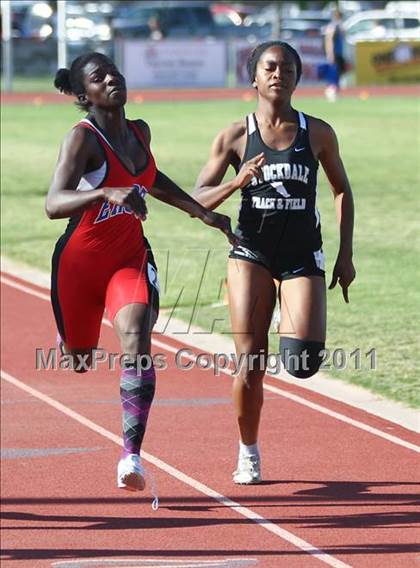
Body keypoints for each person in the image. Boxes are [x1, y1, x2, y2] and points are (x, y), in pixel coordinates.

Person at [46, 52, 235, 492]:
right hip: (77, 266)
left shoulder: (139, 132)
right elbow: (53, 204)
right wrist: (106, 193)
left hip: (127, 259)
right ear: (83, 94)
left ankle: (130, 456)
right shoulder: (82, 140)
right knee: (79, 360)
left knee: (136, 335)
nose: (112, 78)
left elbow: (152, 178)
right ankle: (70, 332)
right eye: (99, 77)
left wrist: (201, 213)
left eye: (113, 71)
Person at [193, 41, 355, 484]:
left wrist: (346, 254)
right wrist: (237, 182)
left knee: (303, 363)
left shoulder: (317, 132)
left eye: (286, 67)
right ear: (254, 77)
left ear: (298, 78)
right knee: (250, 361)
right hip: (252, 252)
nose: (278, 73)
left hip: (303, 254)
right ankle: (248, 451)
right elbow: (195, 198)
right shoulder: (234, 136)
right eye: (269, 67)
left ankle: (290, 306)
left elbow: (342, 189)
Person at [324, 9, 347, 101]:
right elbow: (329, 40)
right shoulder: (333, 27)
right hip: (335, 53)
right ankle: (331, 90)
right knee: (334, 72)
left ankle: (335, 90)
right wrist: (330, 53)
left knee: (340, 72)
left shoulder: (339, 26)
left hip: (340, 53)